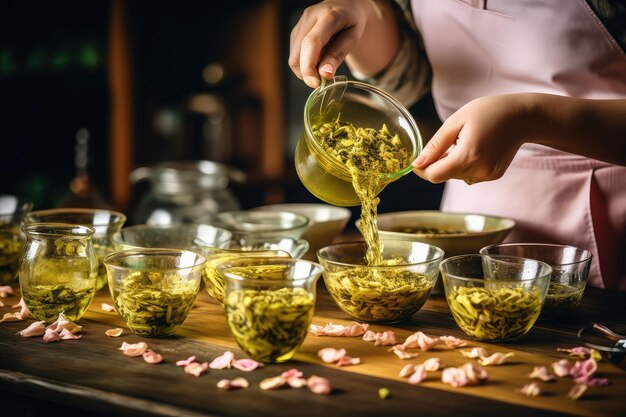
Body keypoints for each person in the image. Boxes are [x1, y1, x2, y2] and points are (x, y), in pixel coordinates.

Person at [289, 0, 626, 289]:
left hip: (603, 220)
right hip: (469, 216)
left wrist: (530, 117)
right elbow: (409, 78)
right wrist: (362, 10)